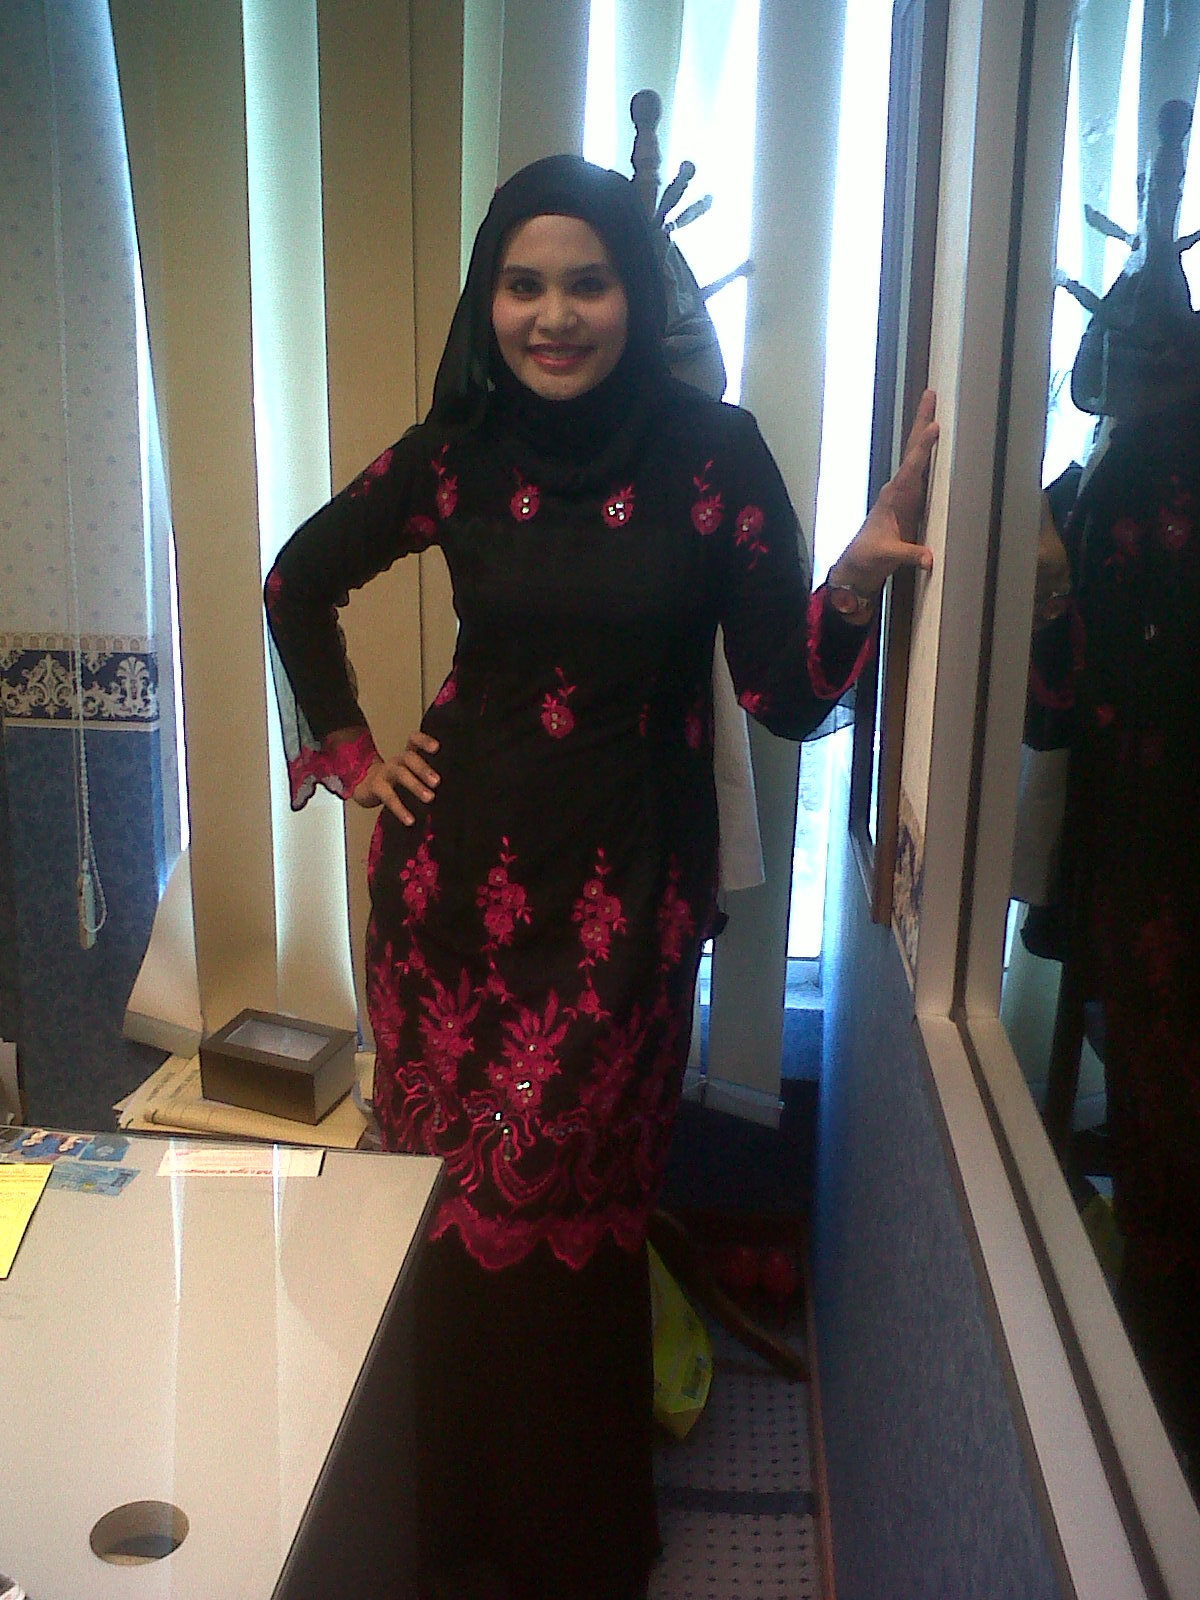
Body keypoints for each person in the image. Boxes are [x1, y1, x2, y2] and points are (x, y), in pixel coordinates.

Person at [264, 153, 936, 1600]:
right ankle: (452, 1529)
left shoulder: (714, 456)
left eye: (587, 283)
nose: (553, 315)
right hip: (449, 910)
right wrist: (352, 755)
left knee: (571, 1216)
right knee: (451, 1217)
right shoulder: (456, 453)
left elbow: (782, 692)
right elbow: (294, 583)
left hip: (625, 914)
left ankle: (573, 1544)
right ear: (488, 299)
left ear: (636, 292)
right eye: (523, 285)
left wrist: (862, 574)